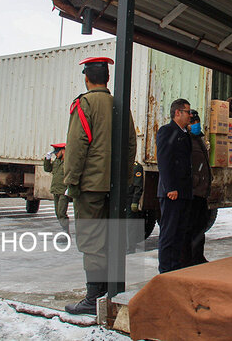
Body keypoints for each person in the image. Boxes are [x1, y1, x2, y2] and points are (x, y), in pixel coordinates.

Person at [63, 56, 136, 315]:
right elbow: (130, 145)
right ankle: (108, 291)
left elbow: (76, 147)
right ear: (106, 78)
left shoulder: (84, 104)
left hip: (90, 187)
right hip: (113, 187)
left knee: (92, 240)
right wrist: (124, 179)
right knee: (110, 238)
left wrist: (70, 181)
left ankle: (93, 297)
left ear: (86, 77)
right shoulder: (120, 105)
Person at [156, 98, 193, 273]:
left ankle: (175, 268)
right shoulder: (167, 131)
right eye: (188, 112)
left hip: (184, 192)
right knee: (169, 234)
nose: (190, 116)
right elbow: (164, 161)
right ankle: (165, 270)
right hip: (172, 192)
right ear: (177, 113)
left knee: (180, 234)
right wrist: (170, 187)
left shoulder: (185, 134)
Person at [186, 109, 212, 265]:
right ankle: (190, 258)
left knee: (201, 225)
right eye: (193, 122)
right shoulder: (186, 139)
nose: (196, 125)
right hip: (193, 191)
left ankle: (198, 256)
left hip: (202, 191)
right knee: (191, 226)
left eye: (197, 122)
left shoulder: (199, 139)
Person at [44, 143, 69, 236]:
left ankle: (65, 232)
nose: (56, 154)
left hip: (64, 191)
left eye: (57, 152)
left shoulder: (68, 162)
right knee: (58, 214)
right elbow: (48, 169)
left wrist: (69, 188)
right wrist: (47, 159)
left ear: (63, 151)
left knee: (61, 213)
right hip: (56, 190)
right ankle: (64, 230)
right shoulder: (57, 161)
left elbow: (71, 175)